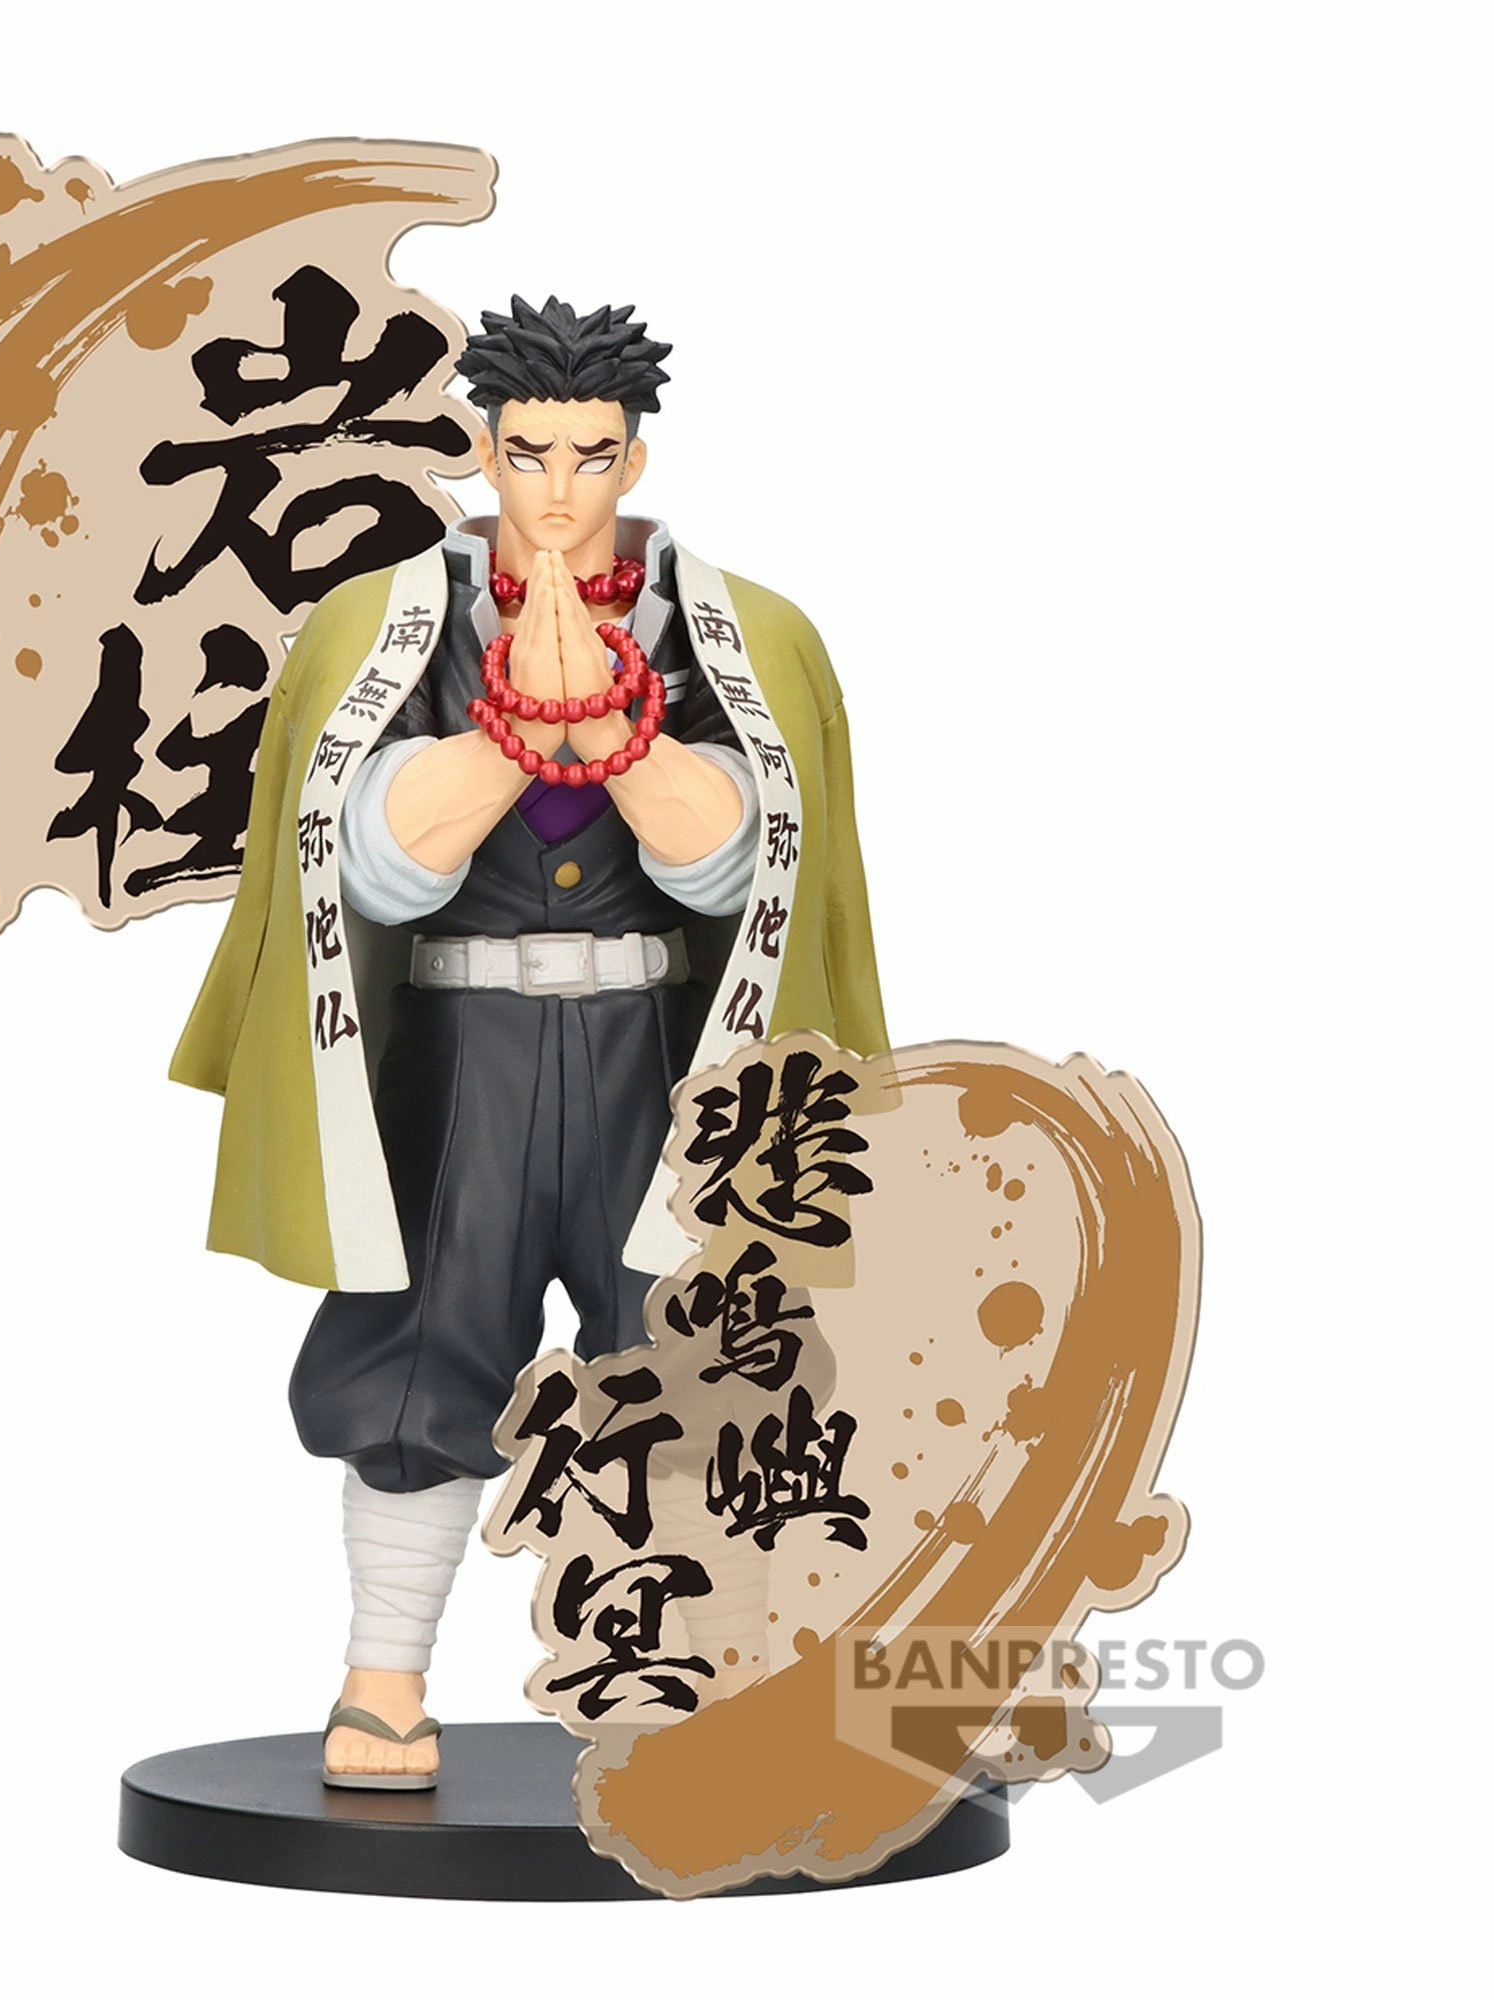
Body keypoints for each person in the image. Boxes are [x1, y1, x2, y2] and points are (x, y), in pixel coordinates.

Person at [170, 297, 889, 1787]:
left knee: (682, 1353)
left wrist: (618, 738)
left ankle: (680, 1695)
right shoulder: (383, 625)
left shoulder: (740, 633)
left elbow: (745, 869)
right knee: (422, 1351)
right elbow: (367, 869)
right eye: (531, 455)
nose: (559, 491)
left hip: (658, 1052)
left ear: (636, 457)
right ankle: (384, 1680)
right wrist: (509, 736)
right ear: (485, 449)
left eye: (592, 456)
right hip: (463, 1056)